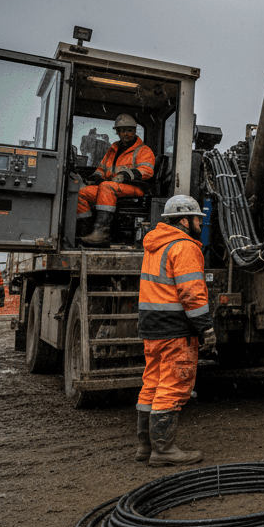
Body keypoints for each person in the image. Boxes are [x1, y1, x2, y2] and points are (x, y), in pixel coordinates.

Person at [135, 195, 215, 466]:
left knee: (152, 385)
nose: (199, 224)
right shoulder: (184, 247)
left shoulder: (155, 245)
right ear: (184, 220)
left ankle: (145, 447)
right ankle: (163, 450)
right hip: (175, 330)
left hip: (152, 328)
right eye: (196, 219)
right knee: (173, 385)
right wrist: (206, 328)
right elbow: (192, 292)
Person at [78, 113, 156, 246]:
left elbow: (147, 170)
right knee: (82, 192)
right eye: (123, 131)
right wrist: (95, 177)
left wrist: (126, 175)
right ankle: (85, 232)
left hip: (135, 188)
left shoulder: (143, 150)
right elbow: (102, 169)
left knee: (106, 187)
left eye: (130, 131)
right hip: (112, 187)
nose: (127, 134)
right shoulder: (113, 149)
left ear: (135, 131)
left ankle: (101, 232)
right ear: (118, 132)